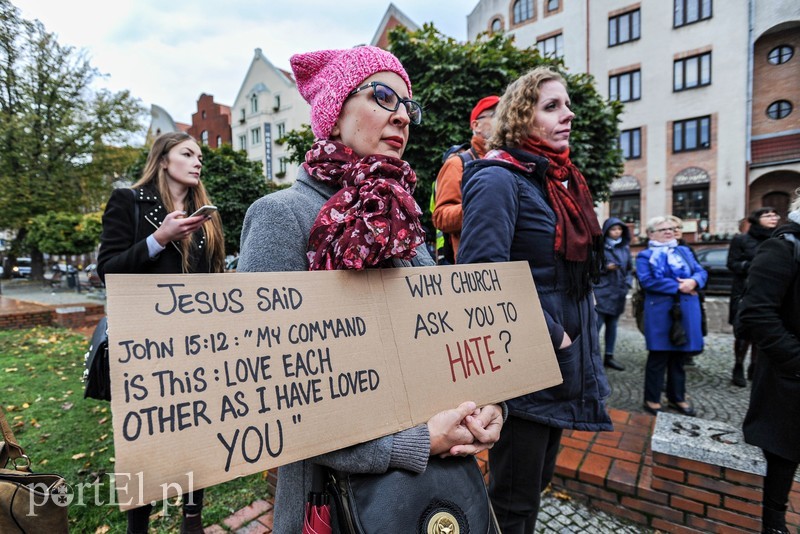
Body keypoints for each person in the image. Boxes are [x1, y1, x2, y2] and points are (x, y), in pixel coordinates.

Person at [237, 45, 504, 533]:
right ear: (334, 117)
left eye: (407, 105)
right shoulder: (281, 216)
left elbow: (448, 340)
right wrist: (416, 441)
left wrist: (488, 405)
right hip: (335, 501)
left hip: (433, 493)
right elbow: (272, 398)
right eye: (383, 97)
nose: (402, 116)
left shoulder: (403, 219)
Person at [457, 66, 613, 533]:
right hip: (528, 366)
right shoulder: (498, 179)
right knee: (513, 500)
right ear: (522, 119)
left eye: (566, 104)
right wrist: (553, 334)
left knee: (534, 482)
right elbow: (480, 278)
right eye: (552, 107)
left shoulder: (556, 181)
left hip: (562, 366)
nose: (568, 114)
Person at [97, 131, 226, 534]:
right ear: (164, 159)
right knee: (147, 439)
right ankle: (140, 524)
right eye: (187, 153)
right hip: (145, 345)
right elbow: (107, 270)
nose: (197, 161)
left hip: (196, 344)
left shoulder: (207, 213)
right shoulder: (129, 202)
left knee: (196, 429)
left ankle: (193, 518)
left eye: (200, 155)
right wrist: (160, 239)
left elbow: (212, 278)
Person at [737, 192, 800, 534]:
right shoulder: (783, 247)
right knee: (784, 450)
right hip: (788, 373)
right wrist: (795, 360)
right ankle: (773, 523)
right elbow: (757, 313)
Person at [636, 216, 708, 417]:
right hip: (661, 312)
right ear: (651, 234)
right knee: (658, 356)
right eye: (663, 229)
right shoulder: (644, 256)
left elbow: (701, 271)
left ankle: (677, 397)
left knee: (679, 357)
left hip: (686, 310)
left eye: (671, 228)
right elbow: (647, 281)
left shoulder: (683, 251)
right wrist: (680, 286)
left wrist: (693, 281)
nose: (669, 231)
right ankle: (652, 398)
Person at [432, 95, 499, 263]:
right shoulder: (457, 164)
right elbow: (440, 216)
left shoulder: (508, 160)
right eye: (495, 115)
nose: (504, 120)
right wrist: (478, 208)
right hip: (475, 267)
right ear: (476, 125)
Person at [727, 207, 780, 386]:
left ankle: (755, 366)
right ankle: (738, 366)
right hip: (745, 291)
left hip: (770, 291)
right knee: (743, 332)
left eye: (775, 215)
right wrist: (756, 266)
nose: (773, 218)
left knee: (762, 330)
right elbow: (732, 264)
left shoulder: (778, 239)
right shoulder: (741, 239)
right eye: (768, 215)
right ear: (756, 219)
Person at [593, 218, 633, 371]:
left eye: (619, 229)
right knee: (596, 327)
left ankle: (609, 356)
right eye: (613, 229)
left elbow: (629, 268)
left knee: (613, 326)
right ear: (607, 231)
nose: (617, 232)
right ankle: (591, 358)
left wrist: (627, 282)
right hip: (602, 292)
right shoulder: (599, 247)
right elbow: (592, 268)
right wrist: (605, 267)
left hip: (618, 293)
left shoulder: (624, 247)